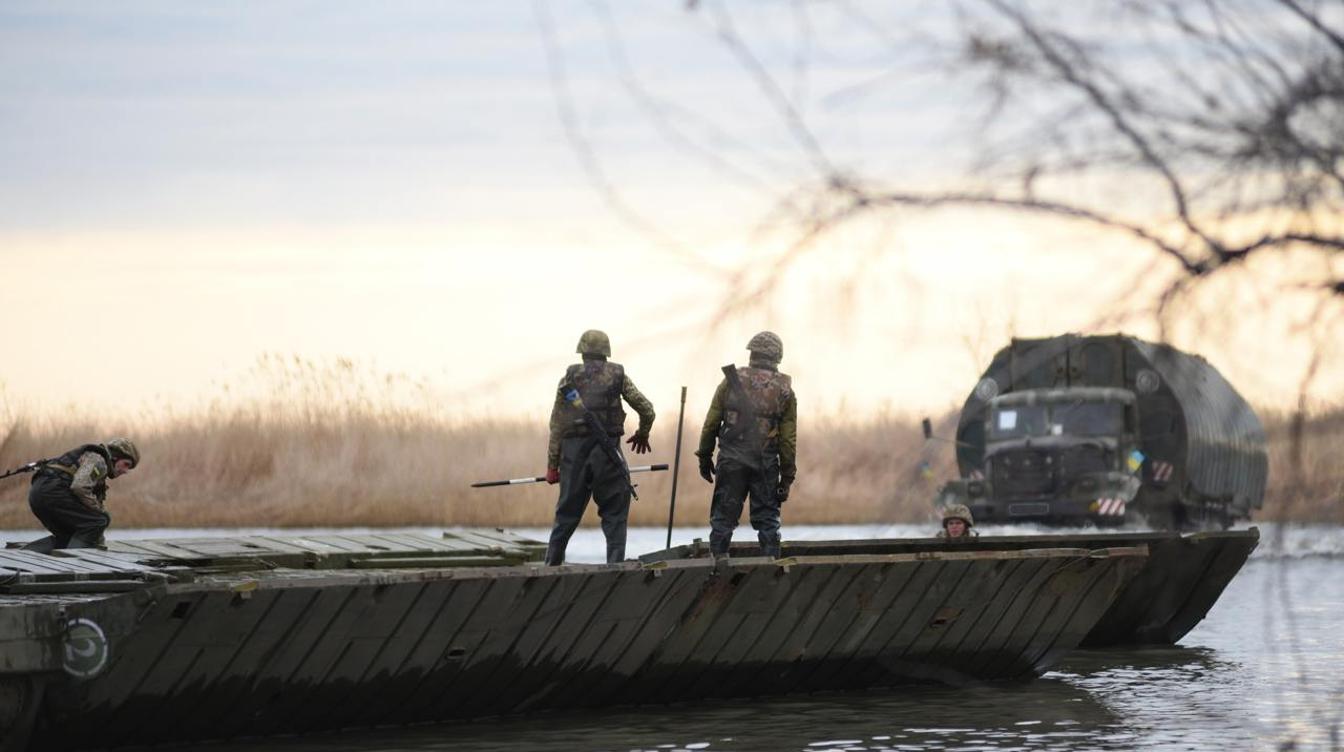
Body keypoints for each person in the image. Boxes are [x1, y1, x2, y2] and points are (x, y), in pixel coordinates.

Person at [544, 330, 655, 565]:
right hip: (608, 455)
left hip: (574, 456)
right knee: (615, 516)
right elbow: (647, 409)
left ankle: (549, 569)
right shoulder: (618, 375)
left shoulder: (569, 378)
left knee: (565, 517)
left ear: (582, 352)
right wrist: (642, 434)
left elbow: (557, 424)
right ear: (606, 352)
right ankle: (614, 569)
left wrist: (552, 466)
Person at [695, 331, 797, 559]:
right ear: (777, 356)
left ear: (752, 353)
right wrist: (787, 477)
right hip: (765, 463)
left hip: (731, 461)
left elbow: (711, 422)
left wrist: (704, 456)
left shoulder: (731, 380)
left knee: (723, 520)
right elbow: (788, 441)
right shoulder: (785, 390)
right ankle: (772, 571)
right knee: (768, 523)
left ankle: (716, 571)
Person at [23, 438, 140, 553]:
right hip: (53, 494)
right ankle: (73, 561)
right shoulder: (99, 461)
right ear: (115, 457)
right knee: (100, 520)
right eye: (126, 464)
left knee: (69, 536)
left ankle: (25, 554)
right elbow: (79, 486)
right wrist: (99, 512)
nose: (126, 471)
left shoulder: (92, 459)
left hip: (37, 496)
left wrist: (100, 545)